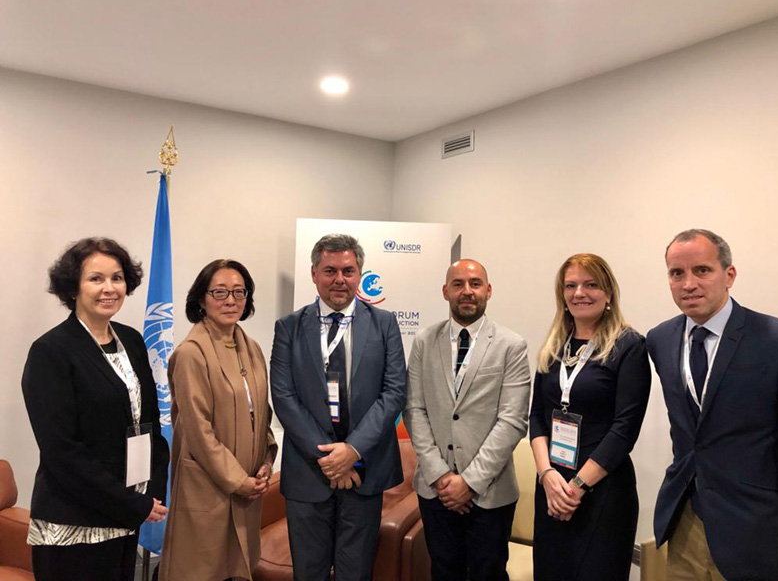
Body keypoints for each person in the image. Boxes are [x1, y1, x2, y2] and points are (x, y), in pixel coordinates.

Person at [648, 229, 778, 581]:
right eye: (677, 273)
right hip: (685, 524)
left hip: (757, 533)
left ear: (729, 275)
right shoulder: (660, 339)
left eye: (702, 270)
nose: (689, 284)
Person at [21, 237, 170, 581]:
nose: (109, 288)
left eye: (117, 278)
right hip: (74, 520)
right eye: (96, 278)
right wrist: (129, 502)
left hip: (126, 514)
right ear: (73, 287)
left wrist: (152, 490)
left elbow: (149, 422)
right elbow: (61, 451)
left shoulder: (131, 340)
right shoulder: (51, 351)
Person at [270, 233, 406, 581]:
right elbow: (284, 397)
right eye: (330, 270)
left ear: (359, 274)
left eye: (348, 271)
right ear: (314, 273)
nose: (339, 279)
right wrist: (332, 460)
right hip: (309, 471)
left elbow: (393, 392)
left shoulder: (384, 323)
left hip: (366, 470)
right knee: (309, 572)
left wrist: (352, 451)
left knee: (355, 572)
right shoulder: (288, 327)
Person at [404, 259, 531, 580]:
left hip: (490, 493)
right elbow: (414, 410)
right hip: (436, 490)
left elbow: (513, 421)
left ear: (488, 290)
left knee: (488, 574)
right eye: (458, 284)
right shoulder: (423, 341)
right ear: (445, 291)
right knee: (443, 572)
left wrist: (470, 483)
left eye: (475, 284)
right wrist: (441, 476)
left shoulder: (511, 345)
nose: (467, 291)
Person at [529, 253, 650, 580]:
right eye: (571, 286)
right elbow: (537, 416)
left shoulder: (629, 346)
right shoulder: (554, 345)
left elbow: (625, 429)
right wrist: (546, 475)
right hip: (553, 488)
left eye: (591, 284)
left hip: (602, 491)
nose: (579, 293)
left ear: (608, 293)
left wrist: (577, 486)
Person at [159, 259, 278, 581]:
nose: (230, 301)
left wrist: (266, 460)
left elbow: (260, 412)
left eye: (239, 292)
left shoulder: (251, 348)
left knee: (238, 568)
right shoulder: (191, 353)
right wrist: (238, 481)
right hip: (209, 485)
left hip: (248, 484)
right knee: (201, 570)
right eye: (220, 292)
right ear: (202, 299)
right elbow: (198, 430)